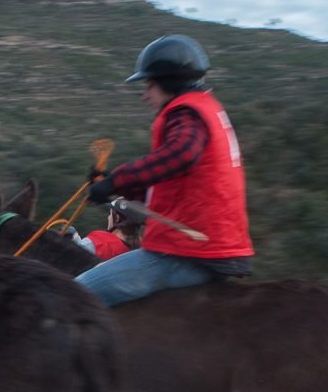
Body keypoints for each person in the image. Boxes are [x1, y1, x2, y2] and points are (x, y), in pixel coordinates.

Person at [75, 34, 254, 307]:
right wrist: (115, 184)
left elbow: (181, 154)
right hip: (217, 248)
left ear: (169, 83)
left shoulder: (185, 113)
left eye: (150, 84)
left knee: (74, 295)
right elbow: (169, 185)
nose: (145, 94)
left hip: (188, 253)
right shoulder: (207, 109)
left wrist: (116, 181)